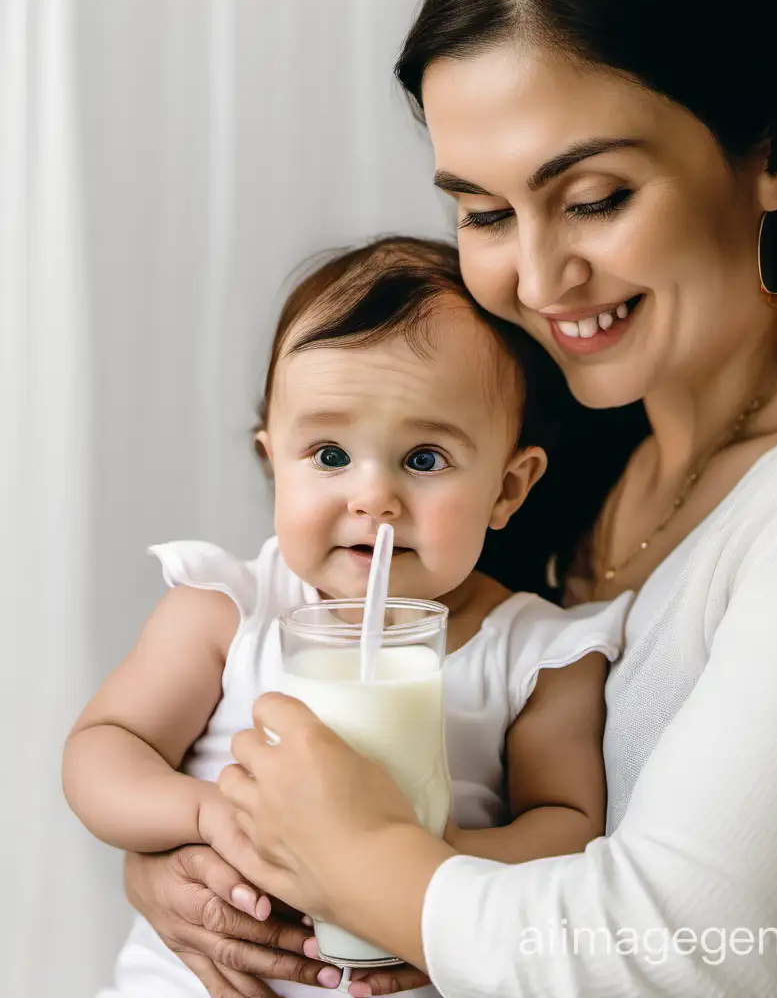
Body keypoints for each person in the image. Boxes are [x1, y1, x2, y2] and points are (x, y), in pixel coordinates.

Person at [124, 0, 777, 996]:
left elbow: (688, 964)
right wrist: (203, 874)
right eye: (483, 212)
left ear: (768, 154)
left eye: (594, 200)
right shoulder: (559, 473)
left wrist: (343, 860)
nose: (540, 280)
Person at [64, 236, 633, 998]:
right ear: (274, 459)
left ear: (508, 487)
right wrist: (206, 815)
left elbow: (567, 828)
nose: (373, 499)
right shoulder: (229, 611)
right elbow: (102, 752)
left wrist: (426, 860)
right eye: (329, 455)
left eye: (425, 459)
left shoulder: (534, 659)